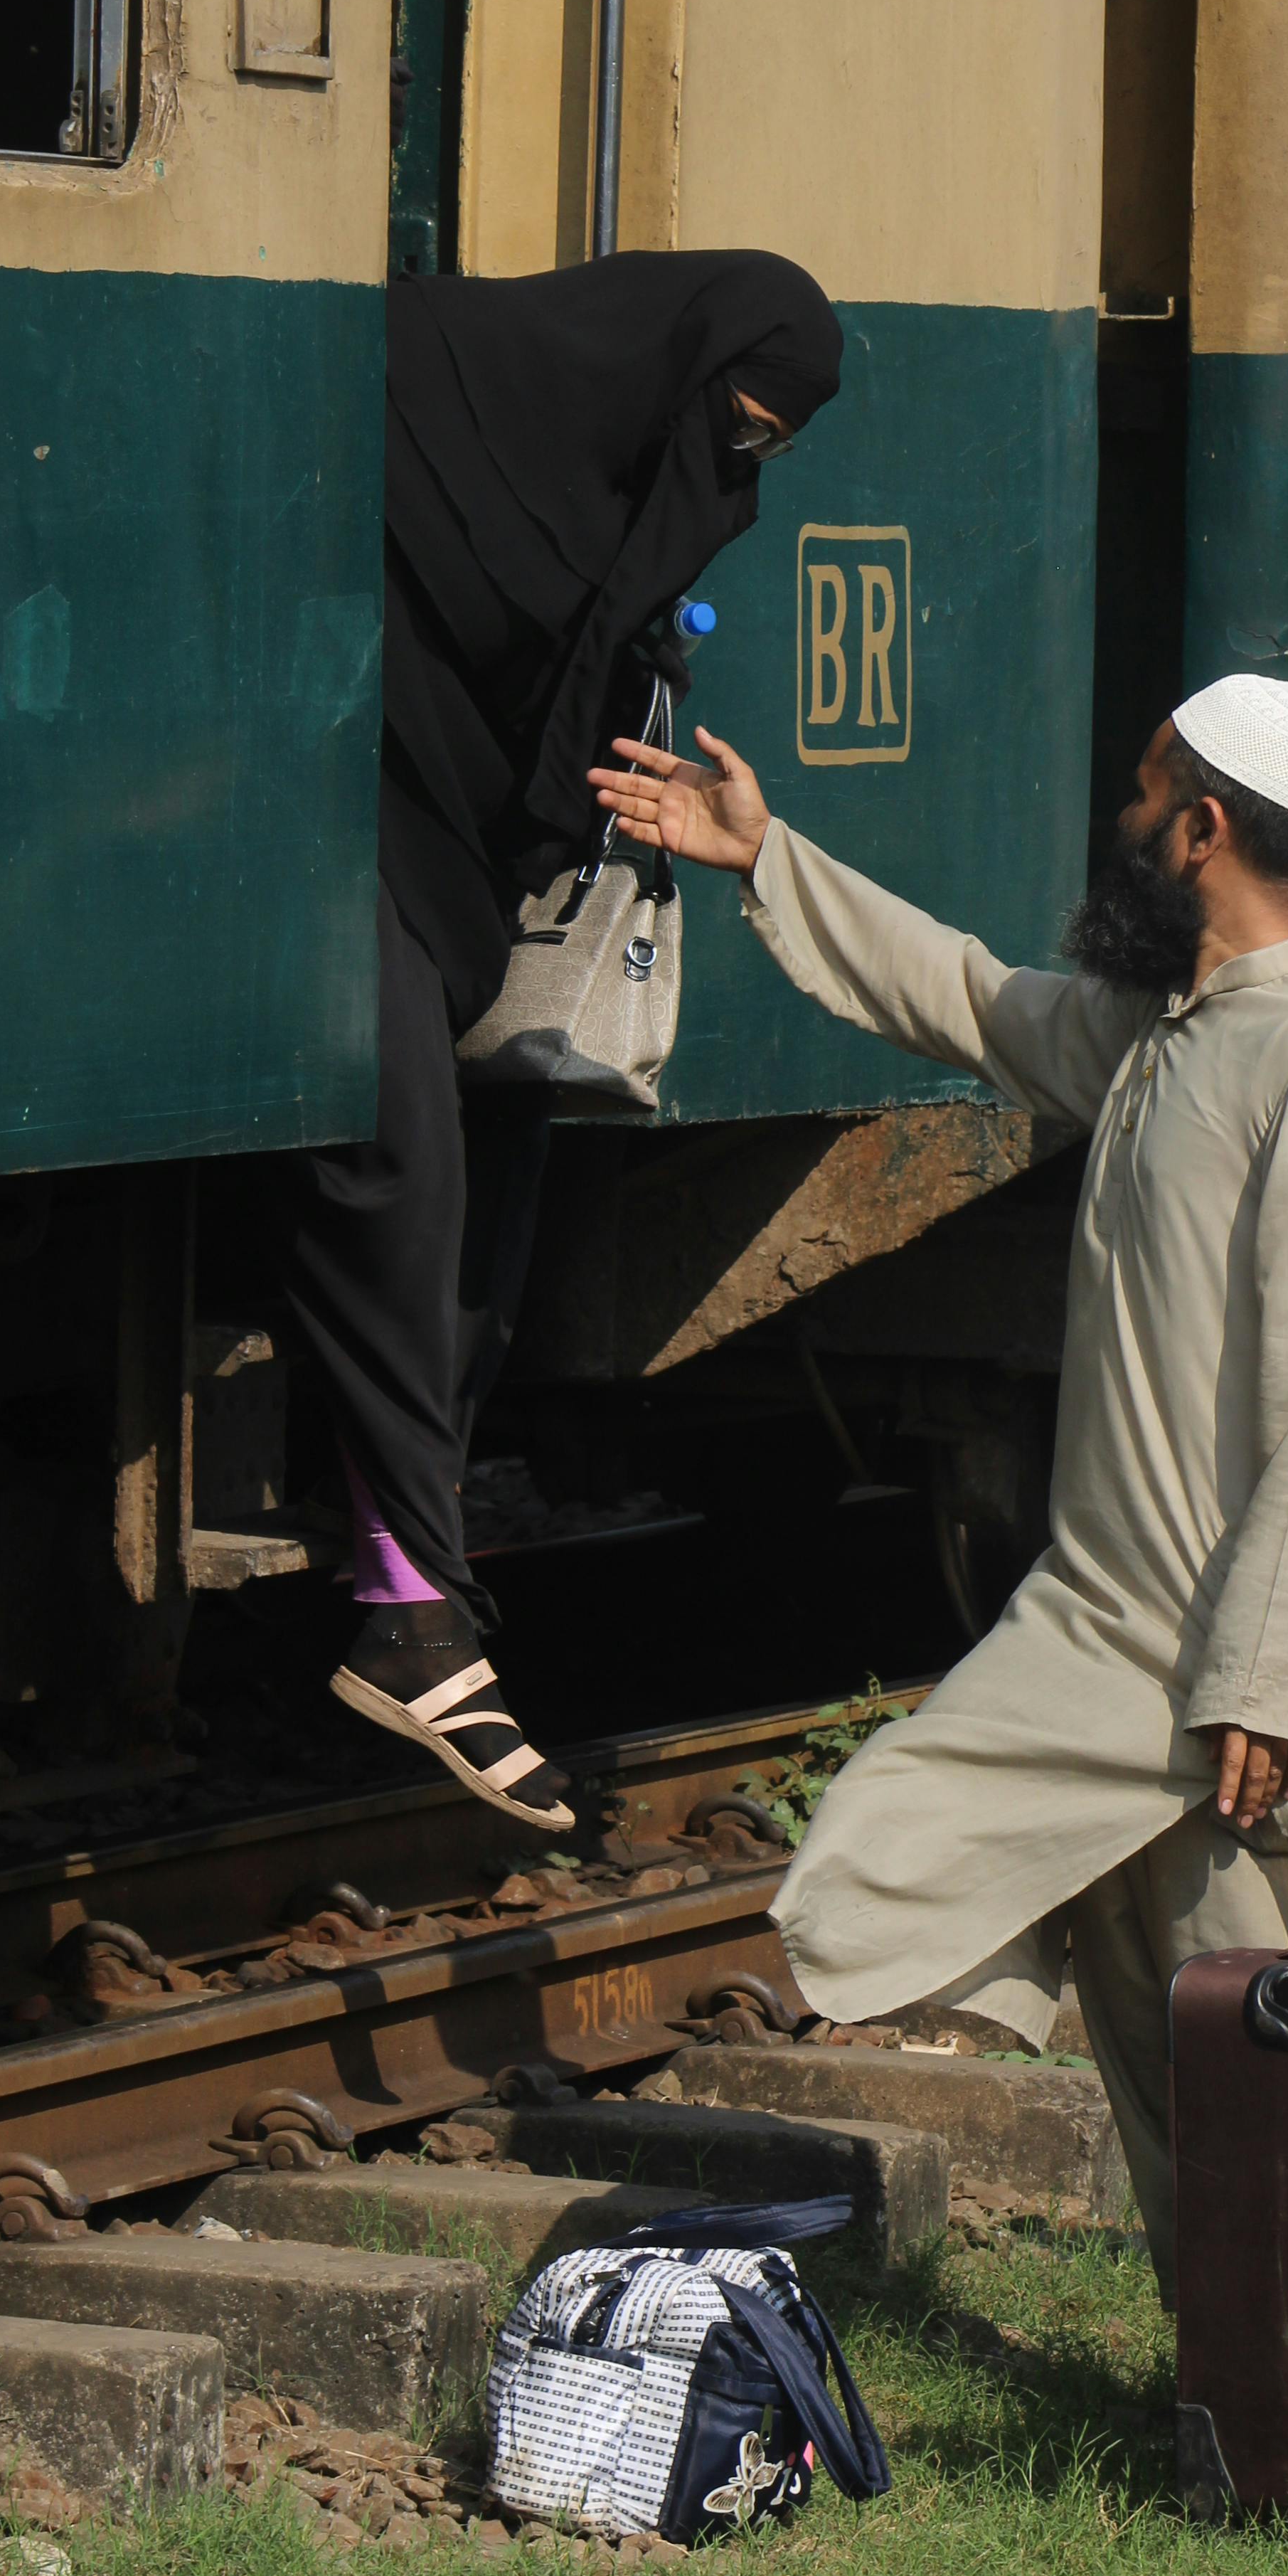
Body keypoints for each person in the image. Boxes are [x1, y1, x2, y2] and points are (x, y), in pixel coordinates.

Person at [587, 672, 1288, 2299]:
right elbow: (977, 1000)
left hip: (1251, 1712)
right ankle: (1234, 2400)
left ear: (1199, 829)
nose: (1119, 822)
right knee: (1159, 2059)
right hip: (1112, 1660)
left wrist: (1265, 1685)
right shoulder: (1169, 1033)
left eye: (1143, 794)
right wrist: (767, 860)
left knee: (1285, 2076)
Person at [287, 247, 843, 1830]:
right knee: (395, 1162)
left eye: (763, 454)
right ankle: (409, 1614)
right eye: (729, 429)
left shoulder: (614, 469)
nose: (727, 478)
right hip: (323, 829)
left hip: (450, 873)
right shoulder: (430, 363)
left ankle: (414, 1569)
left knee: (495, 1162)